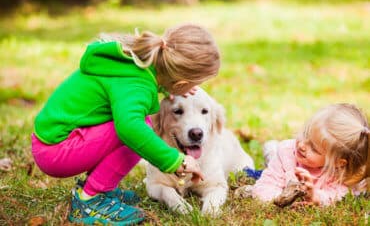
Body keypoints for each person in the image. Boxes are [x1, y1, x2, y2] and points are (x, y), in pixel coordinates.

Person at [31, 23, 221, 225]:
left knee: (137, 125)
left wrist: (168, 89)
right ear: (181, 83)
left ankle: (100, 188)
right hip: (57, 152)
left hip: (54, 142)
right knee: (139, 131)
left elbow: (129, 94)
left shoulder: (134, 65)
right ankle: (90, 200)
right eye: (195, 84)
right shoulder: (135, 83)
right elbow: (130, 127)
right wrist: (175, 161)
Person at [251, 103, 369, 206]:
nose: (302, 145)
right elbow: (263, 187)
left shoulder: (341, 174)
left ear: (337, 163)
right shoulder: (287, 154)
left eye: (313, 148)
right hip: (282, 160)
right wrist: (283, 199)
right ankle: (271, 150)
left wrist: (315, 196)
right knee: (274, 156)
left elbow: (335, 196)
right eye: (305, 134)